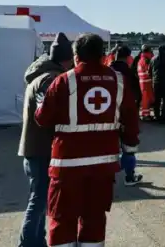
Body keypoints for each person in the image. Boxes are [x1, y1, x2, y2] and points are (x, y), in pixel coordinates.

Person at [35, 33, 140, 247]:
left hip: (67, 166)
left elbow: (43, 119)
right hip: (103, 167)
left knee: (62, 220)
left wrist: (40, 104)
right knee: (94, 220)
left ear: (76, 56)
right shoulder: (118, 81)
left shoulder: (64, 80)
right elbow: (131, 119)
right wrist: (129, 149)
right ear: (103, 56)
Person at [17, 32, 74, 247]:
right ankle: (28, 244)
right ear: (66, 60)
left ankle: (36, 242)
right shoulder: (50, 79)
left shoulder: (40, 76)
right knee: (39, 201)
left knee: (40, 200)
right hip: (41, 150)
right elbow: (48, 115)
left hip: (34, 149)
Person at [111, 45, 144, 185]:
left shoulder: (107, 71)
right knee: (129, 147)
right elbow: (136, 94)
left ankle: (108, 177)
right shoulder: (128, 73)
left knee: (108, 147)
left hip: (107, 115)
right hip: (126, 115)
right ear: (128, 57)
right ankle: (129, 176)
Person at [136, 45, 155, 121]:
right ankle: (145, 115)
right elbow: (149, 71)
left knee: (146, 99)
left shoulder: (141, 59)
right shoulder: (146, 60)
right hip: (146, 82)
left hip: (143, 82)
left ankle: (146, 114)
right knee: (146, 100)